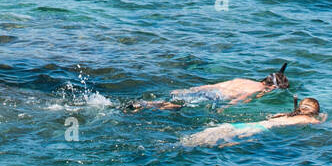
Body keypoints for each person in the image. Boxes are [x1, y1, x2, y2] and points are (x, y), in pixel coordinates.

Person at [124, 63, 289, 112]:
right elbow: (240, 100)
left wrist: (189, 90)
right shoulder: (257, 90)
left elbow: (213, 85)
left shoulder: (242, 79)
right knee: (178, 106)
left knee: (180, 100)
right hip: (215, 98)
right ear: (272, 87)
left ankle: (144, 104)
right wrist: (224, 109)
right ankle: (145, 106)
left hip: (209, 91)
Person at [181, 96, 326, 148]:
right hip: (255, 130)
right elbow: (319, 123)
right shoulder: (308, 119)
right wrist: (325, 117)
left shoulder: (286, 114)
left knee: (197, 139)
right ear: (315, 111)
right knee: (210, 144)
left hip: (247, 125)